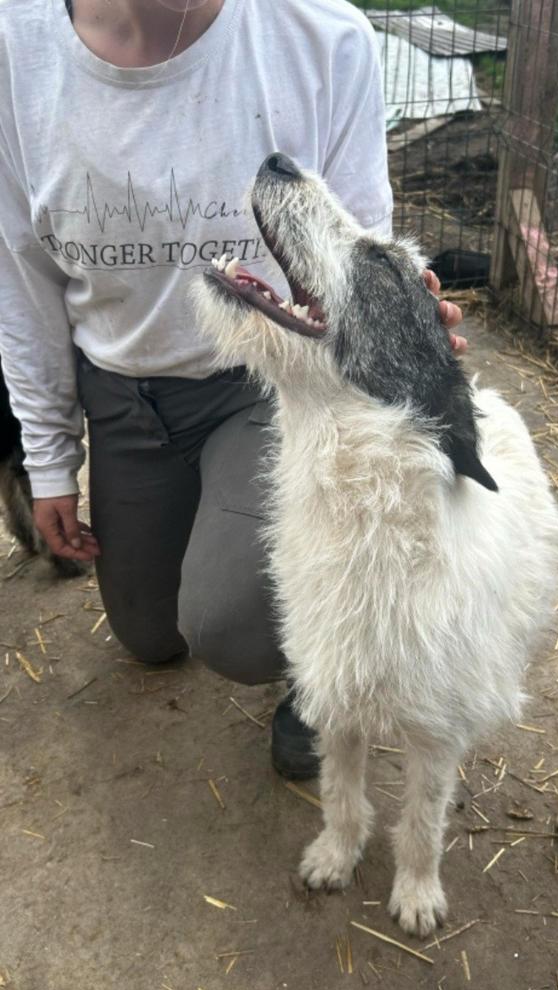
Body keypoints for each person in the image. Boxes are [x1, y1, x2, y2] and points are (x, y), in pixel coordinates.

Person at [0, 0, 466, 779]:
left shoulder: (322, 35)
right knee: (151, 637)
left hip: (271, 382)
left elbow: (356, 260)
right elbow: (20, 272)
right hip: (123, 388)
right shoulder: (17, 43)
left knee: (231, 629)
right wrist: (49, 459)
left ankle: (321, 680)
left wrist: (408, 319)